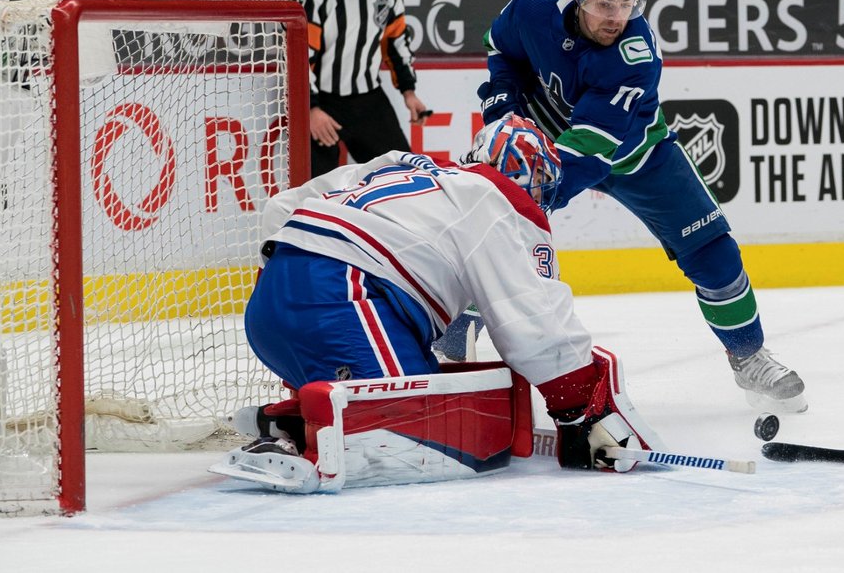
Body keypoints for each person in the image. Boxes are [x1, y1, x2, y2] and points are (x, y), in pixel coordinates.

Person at [210, 114, 661, 493]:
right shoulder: (501, 202)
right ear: (537, 175)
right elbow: (532, 320)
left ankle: (287, 419)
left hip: (271, 306)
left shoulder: (405, 165)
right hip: (342, 296)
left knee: (424, 389)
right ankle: (310, 442)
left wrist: (287, 286)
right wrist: (579, 408)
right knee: (423, 429)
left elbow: (283, 205)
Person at [476, 0, 807, 413]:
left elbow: (589, 153)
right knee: (486, 229)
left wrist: (536, 194)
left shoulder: (634, 56)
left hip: (637, 155)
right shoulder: (533, 1)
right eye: (603, 2)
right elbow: (499, 48)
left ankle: (749, 355)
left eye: (628, 2)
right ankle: (454, 338)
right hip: (545, 142)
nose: (615, 16)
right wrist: (503, 109)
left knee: (712, 250)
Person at [290, 0, 429, 178]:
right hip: (323, 104)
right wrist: (311, 109)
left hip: (368, 102)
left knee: (405, 178)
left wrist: (408, 92)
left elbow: (396, 41)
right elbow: (296, 54)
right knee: (315, 191)